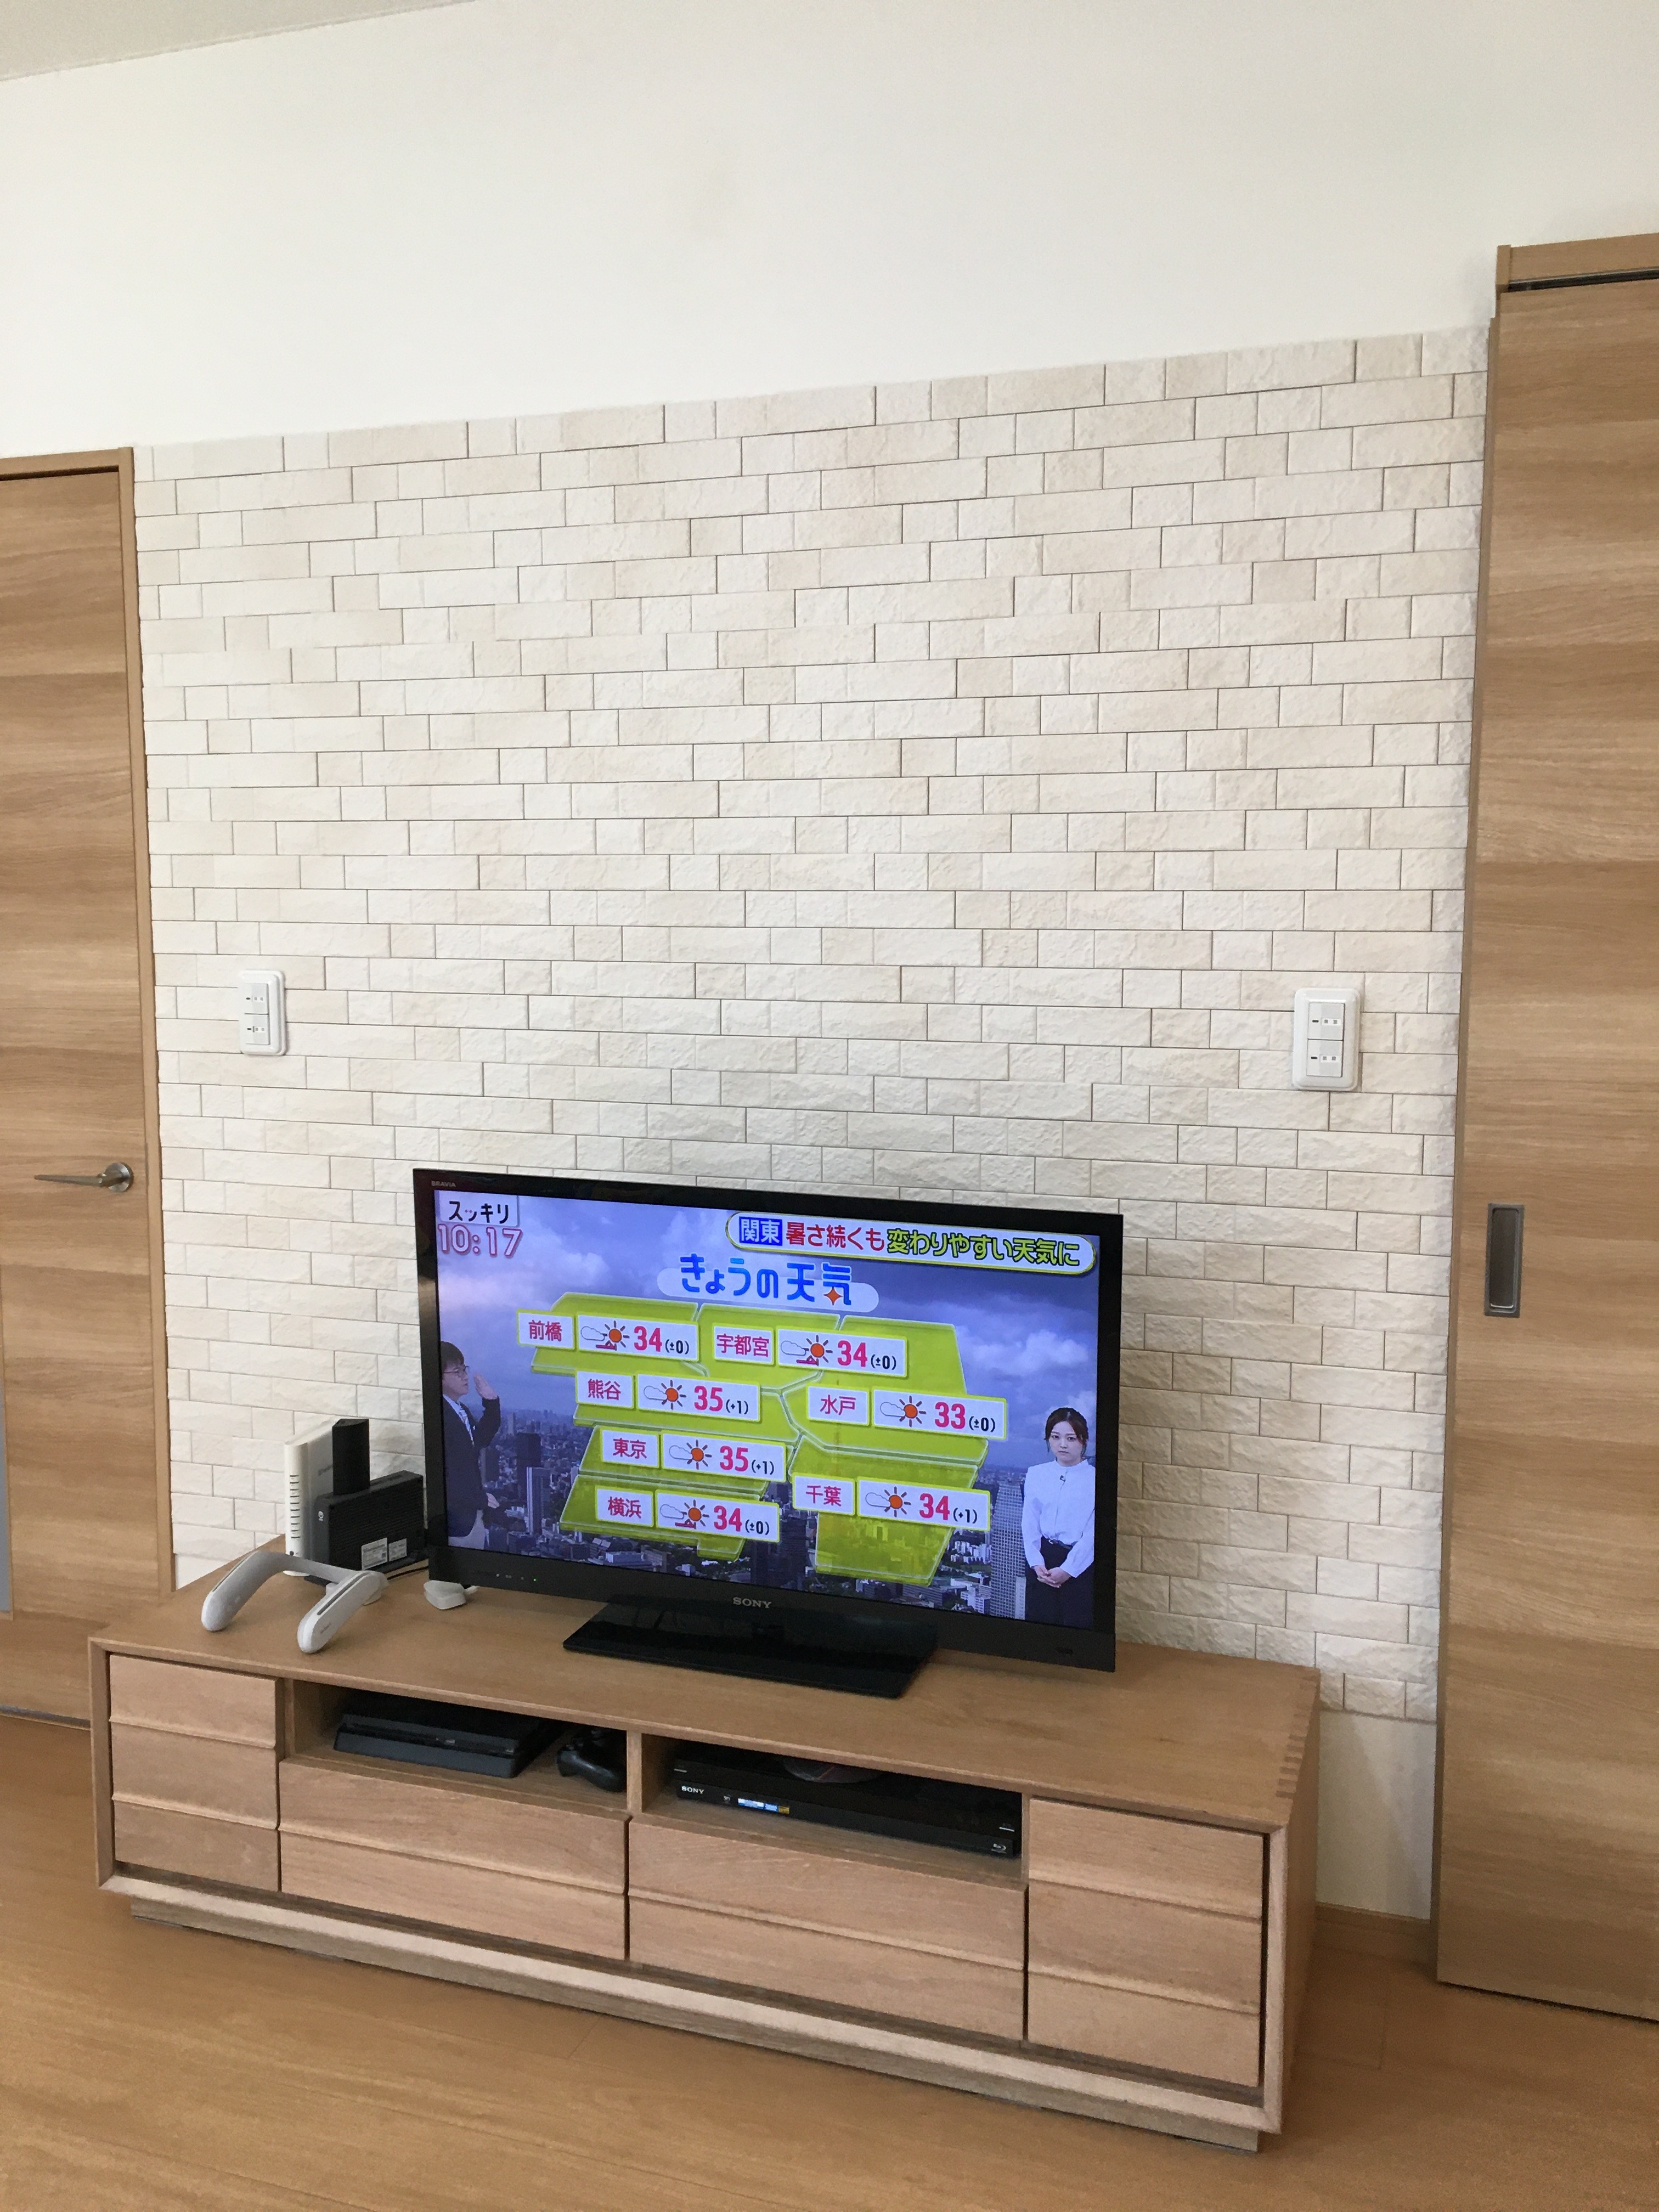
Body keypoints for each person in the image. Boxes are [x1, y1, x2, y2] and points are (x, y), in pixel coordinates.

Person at [1021, 1407, 1095, 1629]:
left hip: (1080, 1563)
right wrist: (1036, 1563)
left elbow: (1093, 1533)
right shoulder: (1036, 1474)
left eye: (1071, 1438)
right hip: (1042, 1562)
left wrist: (1069, 1570)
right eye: (1055, 1437)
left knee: (1076, 1628)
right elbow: (1030, 1523)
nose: (1062, 1445)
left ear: (1083, 1440)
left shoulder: (1094, 1479)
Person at [439, 1340, 500, 1543]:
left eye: (464, 1369)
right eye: (457, 1372)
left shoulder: (460, 1410)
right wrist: (480, 1499)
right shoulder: (441, 1416)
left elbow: (479, 1440)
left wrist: (491, 1402)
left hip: (471, 1517)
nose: (465, 1376)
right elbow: (450, 1474)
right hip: (457, 1521)